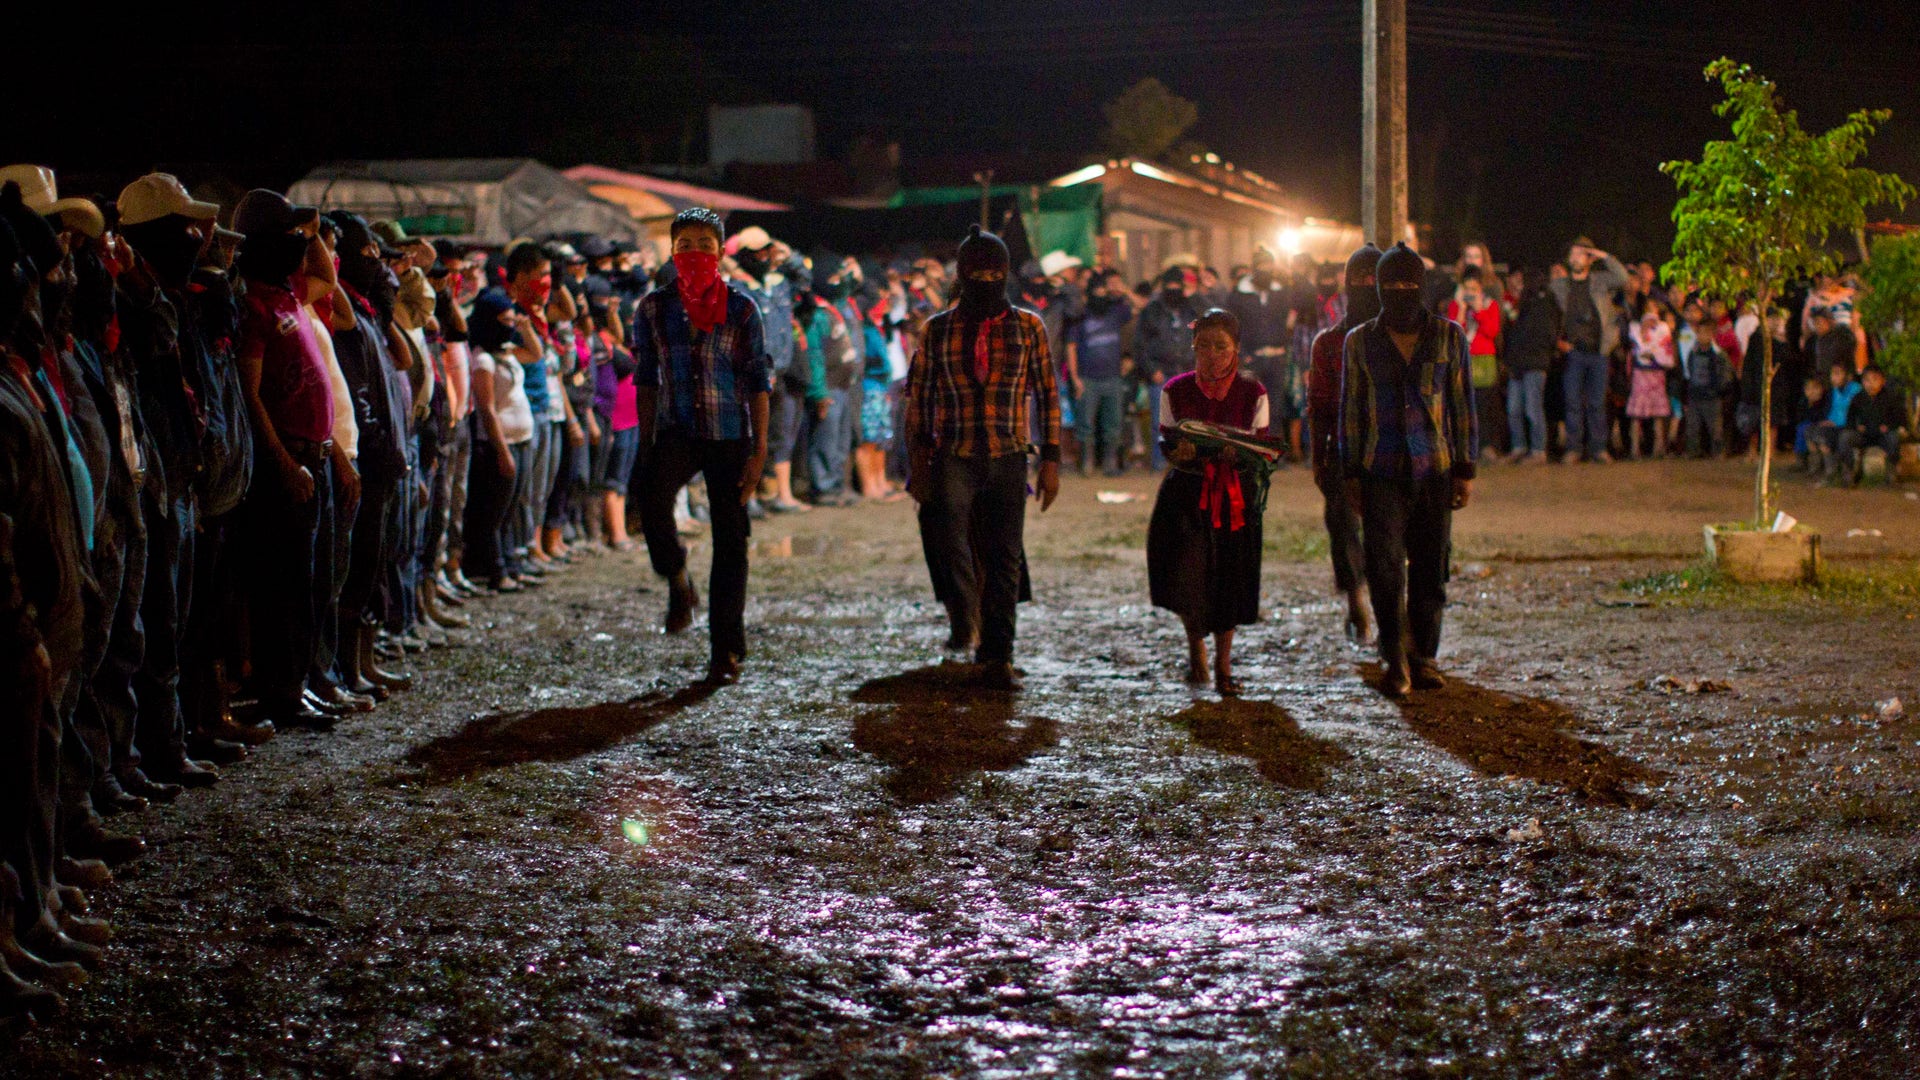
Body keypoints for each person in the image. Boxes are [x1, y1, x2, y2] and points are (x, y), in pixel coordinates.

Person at [905, 224, 1062, 690]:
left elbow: (1048, 394)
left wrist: (1051, 460)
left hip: (1009, 455)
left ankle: (998, 655)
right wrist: (917, 461)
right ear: (961, 273)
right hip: (953, 455)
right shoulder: (937, 330)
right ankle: (965, 617)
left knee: (1005, 556)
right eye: (977, 270)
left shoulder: (1028, 326)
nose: (986, 278)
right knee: (952, 545)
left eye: (995, 270)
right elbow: (919, 398)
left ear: (1007, 273)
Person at [632, 208, 771, 685]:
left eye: (703, 244)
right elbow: (646, 380)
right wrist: (646, 443)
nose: (693, 252)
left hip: (730, 434)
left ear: (720, 251)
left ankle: (724, 648)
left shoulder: (742, 308)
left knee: (732, 541)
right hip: (675, 430)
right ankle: (678, 580)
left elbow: (758, 382)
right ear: (673, 250)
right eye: (684, 243)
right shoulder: (653, 308)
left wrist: (759, 452)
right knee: (651, 503)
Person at [1339, 242, 1477, 699]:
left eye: (1408, 284)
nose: (1400, 292)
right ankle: (1394, 657)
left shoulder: (1448, 337)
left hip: (1434, 470)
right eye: (1390, 284)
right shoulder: (1359, 341)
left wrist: (1464, 469)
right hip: (1380, 471)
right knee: (1384, 569)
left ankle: (1425, 657)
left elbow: (1462, 407)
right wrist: (1351, 474)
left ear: (1421, 286)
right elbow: (1351, 411)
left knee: (1431, 568)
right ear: (1378, 289)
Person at [1148, 308, 1272, 695]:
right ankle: (1195, 648)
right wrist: (1179, 454)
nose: (1212, 354)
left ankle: (1224, 662)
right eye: (1203, 346)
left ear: (1236, 348)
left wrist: (1243, 455)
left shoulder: (1254, 391)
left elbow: (1263, 447)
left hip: (1235, 497)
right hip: (1186, 496)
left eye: (1221, 346)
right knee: (1189, 575)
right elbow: (1165, 441)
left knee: (1230, 577)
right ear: (1193, 347)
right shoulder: (1175, 389)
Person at [1308, 244, 1381, 644]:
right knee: (1342, 524)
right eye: (1359, 279)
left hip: (1390, 450)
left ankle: (1390, 608)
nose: (1367, 286)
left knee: (1388, 533)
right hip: (1342, 450)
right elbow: (1318, 406)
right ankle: (1356, 598)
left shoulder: (1405, 339)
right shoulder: (1329, 342)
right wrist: (1319, 458)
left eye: (1374, 278)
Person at [727, 226, 808, 514]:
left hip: (781, 371)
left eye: (766, 251)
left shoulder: (779, 283)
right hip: (749, 375)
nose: (763, 257)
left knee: (773, 436)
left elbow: (804, 280)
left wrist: (788, 255)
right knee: (746, 436)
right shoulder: (736, 288)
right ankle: (745, 496)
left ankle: (769, 493)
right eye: (757, 253)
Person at [1548, 237, 1628, 463]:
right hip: (1574, 353)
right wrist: (1558, 342)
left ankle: (1598, 448)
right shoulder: (1560, 286)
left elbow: (1622, 278)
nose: (1576, 258)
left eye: (1582, 254)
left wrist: (1603, 256)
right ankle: (1573, 448)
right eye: (1573, 254)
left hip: (1599, 351)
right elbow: (1549, 316)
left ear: (1589, 259)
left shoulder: (1599, 282)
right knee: (1572, 402)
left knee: (1597, 403)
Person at [1066, 268, 1133, 476]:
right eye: (1097, 291)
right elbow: (1071, 347)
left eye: (1104, 291)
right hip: (1088, 379)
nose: (1101, 295)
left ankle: (1109, 463)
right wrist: (1075, 378)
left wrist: (1120, 289)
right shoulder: (1080, 316)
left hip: (1112, 377)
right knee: (1085, 425)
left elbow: (1138, 306)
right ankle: (1087, 463)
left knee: (1113, 425)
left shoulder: (1116, 311)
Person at [1134, 267, 1202, 470]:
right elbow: (1140, 345)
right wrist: (1151, 369)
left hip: (1187, 372)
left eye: (1177, 286)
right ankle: (1160, 462)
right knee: (1161, 422)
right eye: (1169, 286)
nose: (1173, 289)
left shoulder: (1192, 310)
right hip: (1161, 373)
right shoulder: (1151, 311)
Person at [1502, 268, 1558, 463]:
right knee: (1514, 409)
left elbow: (1546, 334)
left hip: (1534, 362)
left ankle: (1538, 450)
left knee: (1533, 409)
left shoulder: (1543, 303)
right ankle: (1519, 446)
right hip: (1519, 363)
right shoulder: (1522, 304)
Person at [1445, 276, 1503, 454]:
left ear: (1481, 289)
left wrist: (1479, 310)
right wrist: (1461, 309)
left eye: (1474, 289)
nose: (1470, 293)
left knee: (1484, 406)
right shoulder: (1455, 306)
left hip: (1483, 360)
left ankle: (1487, 446)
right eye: (1466, 289)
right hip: (1463, 360)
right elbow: (1454, 333)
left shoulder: (1489, 305)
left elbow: (1492, 331)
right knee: (1463, 407)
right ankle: (1465, 447)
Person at [1740, 307, 1803, 461]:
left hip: (1776, 388)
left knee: (1773, 421)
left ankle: (1769, 452)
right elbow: (1748, 364)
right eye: (1771, 319)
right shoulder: (1756, 339)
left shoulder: (1780, 342)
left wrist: (1783, 343)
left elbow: (1789, 363)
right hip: (1756, 386)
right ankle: (1752, 451)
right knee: (1754, 422)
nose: (1774, 322)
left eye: (1776, 319)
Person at [1830, 366, 1908, 486]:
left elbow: (1900, 418)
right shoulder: (1858, 398)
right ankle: (1848, 472)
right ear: (1862, 382)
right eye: (1867, 380)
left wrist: (1888, 426)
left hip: (1882, 435)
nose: (1871, 384)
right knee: (1845, 437)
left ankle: (1891, 471)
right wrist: (1857, 427)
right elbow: (1850, 420)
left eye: (1875, 379)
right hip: (1863, 435)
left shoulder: (1890, 397)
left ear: (1883, 381)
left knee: (1893, 437)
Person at [1676, 300, 1734, 458]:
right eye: (1700, 333)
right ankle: (1692, 451)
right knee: (1692, 426)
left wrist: (1719, 390)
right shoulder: (1694, 352)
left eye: (1706, 333)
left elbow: (1725, 374)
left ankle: (1717, 451)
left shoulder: (1718, 354)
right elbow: (1689, 369)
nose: (1702, 336)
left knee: (1715, 427)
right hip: (1695, 394)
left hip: (1712, 396)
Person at [1624, 303, 1676, 459]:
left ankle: (1658, 449)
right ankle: (1635, 450)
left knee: (1658, 413)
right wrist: (1642, 333)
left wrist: (1653, 353)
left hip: (1657, 374)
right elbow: (1638, 347)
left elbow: (1664, 351)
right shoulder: (1635, 328)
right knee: (1637, 413)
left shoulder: (1663, 329)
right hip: (1641, 373)